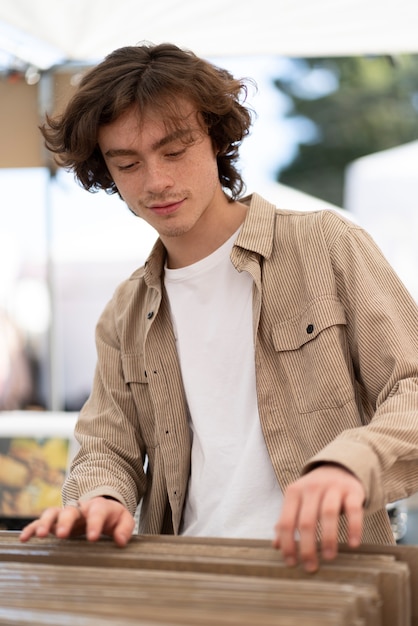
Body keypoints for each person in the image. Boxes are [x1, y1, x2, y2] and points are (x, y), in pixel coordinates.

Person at [20, 42, 418, 573]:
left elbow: (411, 385)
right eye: (128, 163)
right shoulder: (124, 311)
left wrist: (352, 461)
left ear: (215, 139)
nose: (155, 180)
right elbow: (106, 448)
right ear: (106, 172)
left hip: (329, 574)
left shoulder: (327, 245)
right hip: (186, 580)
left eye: (174, 150)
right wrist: (101, 502)